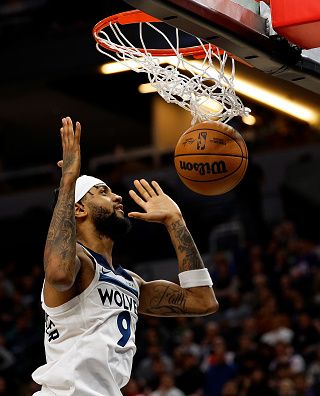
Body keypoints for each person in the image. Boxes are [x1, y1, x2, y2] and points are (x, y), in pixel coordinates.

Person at [32, 117, 219, 395]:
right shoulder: (79, 264)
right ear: (78, 210)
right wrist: (69, 181)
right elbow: (58, 274)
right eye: (102, 192)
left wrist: (175, 221)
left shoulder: (132, 283)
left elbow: (204, 301)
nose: (117, 197)